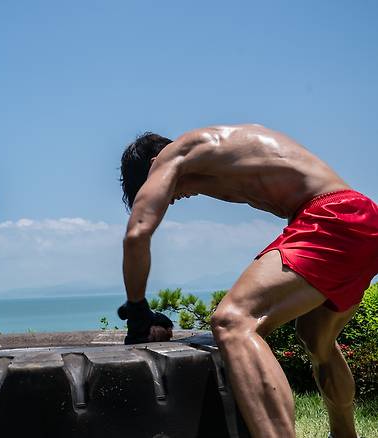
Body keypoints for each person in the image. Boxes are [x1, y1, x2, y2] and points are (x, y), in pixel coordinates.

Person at [117, 124, 378, 438]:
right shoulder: (218, 151)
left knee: (232, 321)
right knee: (316, 338)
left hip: (330, 218)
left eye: (154, 187)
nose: (170, 199)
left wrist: (137, 310)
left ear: (152, 165)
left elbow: (137, 233)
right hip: (359, 218)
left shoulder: (174, 154)